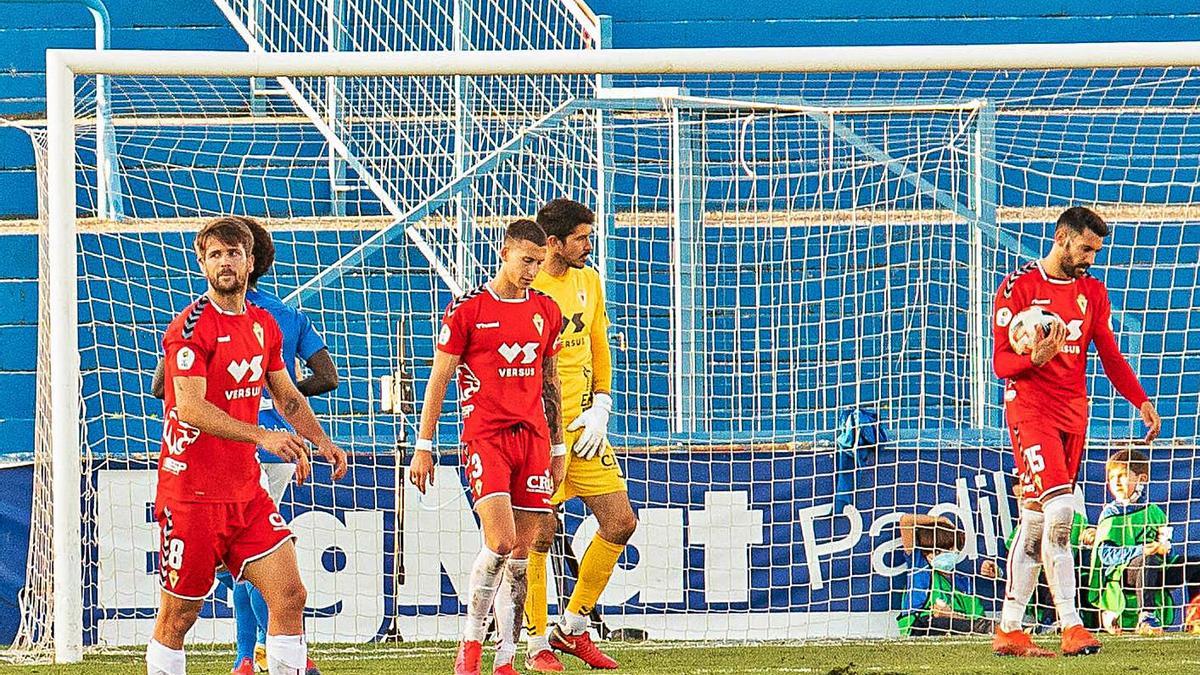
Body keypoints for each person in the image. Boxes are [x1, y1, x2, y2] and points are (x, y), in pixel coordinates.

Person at [147, 216, 348, 675]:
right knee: (179, 617)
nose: (224, 262)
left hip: (245, 491)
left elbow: (287, 394)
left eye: (233, 253)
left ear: (249, 261)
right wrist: (264, 435)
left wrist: (322, 442)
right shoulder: (190, 328)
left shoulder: (263, 324)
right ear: (201, 263)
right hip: (192, 494)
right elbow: (191, 408)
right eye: (214, 254)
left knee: (290, 594)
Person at [990, 206, 1161, 658]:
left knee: (1035, 522)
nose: (1091, 258)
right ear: (1063, 238)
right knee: (1063, 510)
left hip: (1073, 417)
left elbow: (1109, 354)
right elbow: (1001, 363)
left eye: (1095, 251)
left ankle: (1009, 628)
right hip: (1029, 412)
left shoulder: (1092, 293)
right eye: (1086, 248)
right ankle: (1072, 624)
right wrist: (1035, 359)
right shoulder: (1017, 288)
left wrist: (1140, 399)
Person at [408, 219, 566, 675]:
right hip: (486, 437)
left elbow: (549, 380)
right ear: (504, 252)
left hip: (534, 439)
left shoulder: (546, 310)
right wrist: (424, 444)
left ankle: (506, 659)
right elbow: (439, 377)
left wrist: (557, 448)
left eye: (538, 263)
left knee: (523, 552)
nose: (532, 270)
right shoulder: (467, 310)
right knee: (500, 541)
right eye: (526, 260)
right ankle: (470, 646)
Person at [506, 198, 635, 672]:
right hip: (540, 433)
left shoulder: (589, 279)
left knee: (620, 522)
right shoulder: (527, 285)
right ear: (553, 242)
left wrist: (602, 404)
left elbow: (598, 344)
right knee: (539, 532)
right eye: (581, 237)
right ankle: (536, 643)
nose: (588, 244)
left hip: (585, 428)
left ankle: (573, 628)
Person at [1088, 448, 1200, 635]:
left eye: (1122, 475)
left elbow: (1165, 543)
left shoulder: (1155, 512)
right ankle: (1146, 616)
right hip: (1122, 574)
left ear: (1142, 479)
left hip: (1157, 570)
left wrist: (1164, 548)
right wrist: (1142, 551)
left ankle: (1195, 616)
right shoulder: (1110, 513)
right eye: (1111, 477)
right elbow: (1105, 555)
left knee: (1195, 563)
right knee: (1147, 561)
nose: (1115, 482)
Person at [896, 514, 995, 637]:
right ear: (926, 554)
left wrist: (951, 615)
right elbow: (906, 521)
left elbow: (977, 619)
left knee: (976, 627)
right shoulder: (920, 568)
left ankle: (1014, 630)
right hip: (920, 627)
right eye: (936, 552)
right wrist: (941, 520)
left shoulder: (965, 582)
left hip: (956, 628)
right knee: (936, 622)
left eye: (948, 549)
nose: (943, 555)